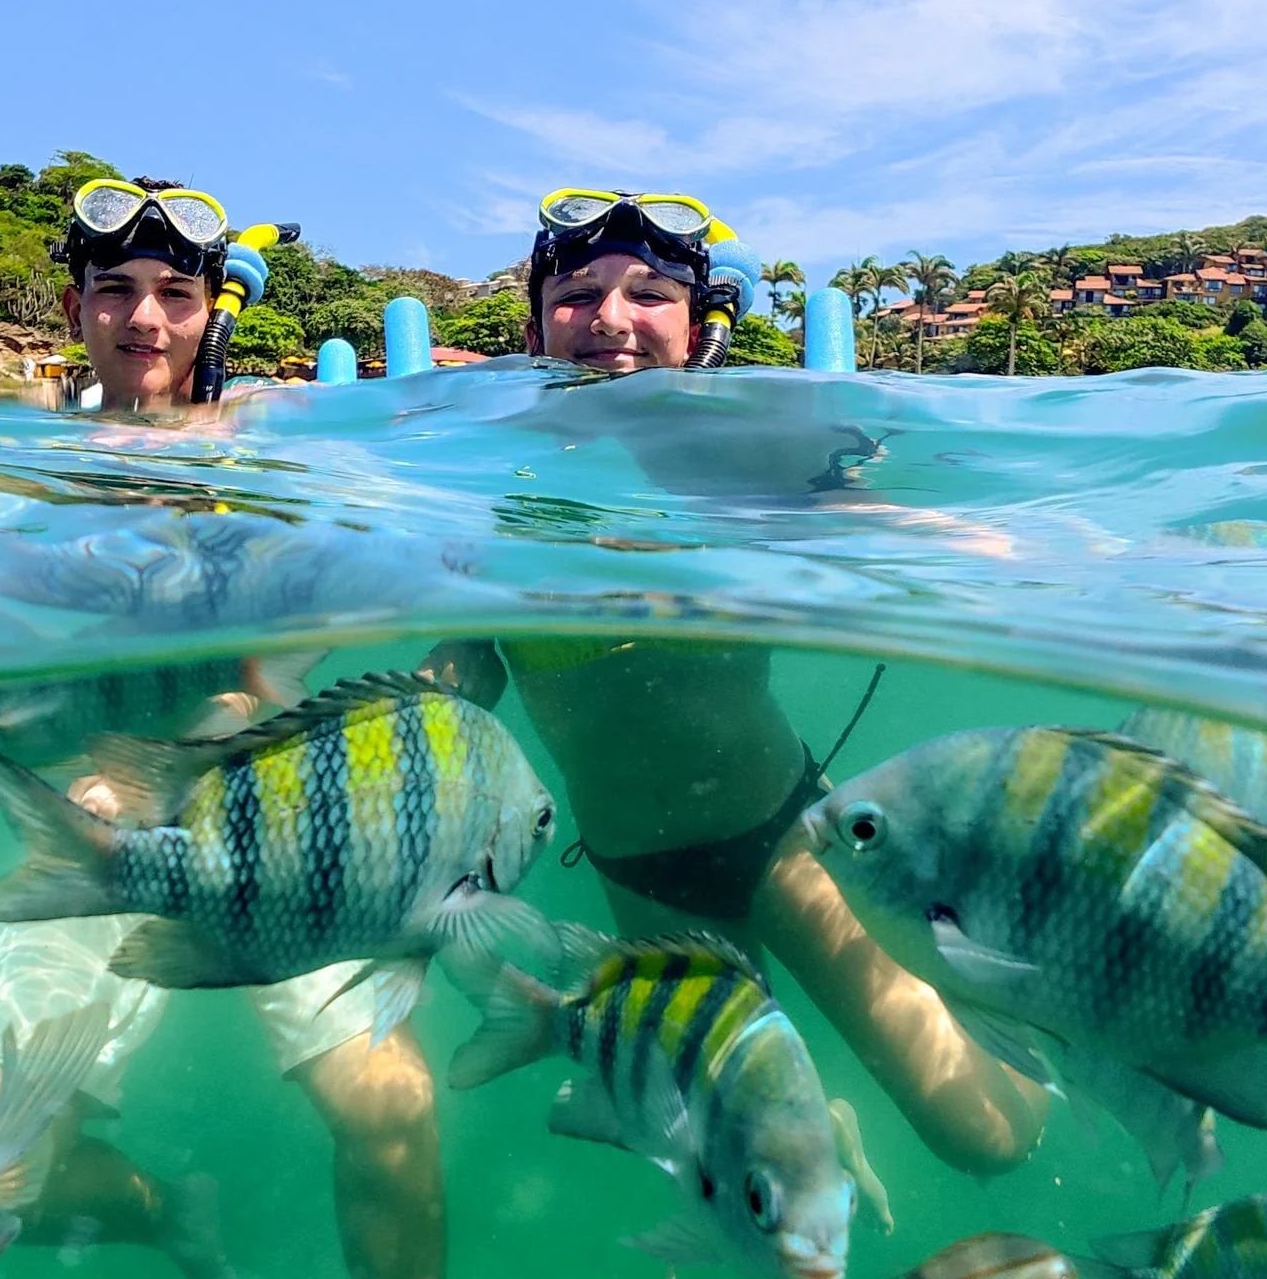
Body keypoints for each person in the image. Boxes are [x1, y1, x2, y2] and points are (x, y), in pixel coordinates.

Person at [421, 190, 1049, 1178]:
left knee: (989, 1137)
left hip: (782, 838)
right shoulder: (491, 473)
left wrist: (1001, 553)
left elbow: (878, 520)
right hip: (637, 878)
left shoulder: (746, 448)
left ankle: (1049, 1030)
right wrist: (429, 701)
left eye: (649, 293)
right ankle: (831, 1109)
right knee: (728, 1152)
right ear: (537, 317)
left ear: (696, 319)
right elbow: (469, 654)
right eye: (579, 295)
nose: (612, 321)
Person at [0, 176, 446, 1279]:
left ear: (209, 310)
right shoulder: (24, 466)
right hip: (97, 827)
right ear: (74, 307)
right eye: (116, 291)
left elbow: (347, 595)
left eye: (174, 295)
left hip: (276, 818)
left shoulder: (268, 450)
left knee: (393, 1113)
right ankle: (171, 1215)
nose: (144, 320)